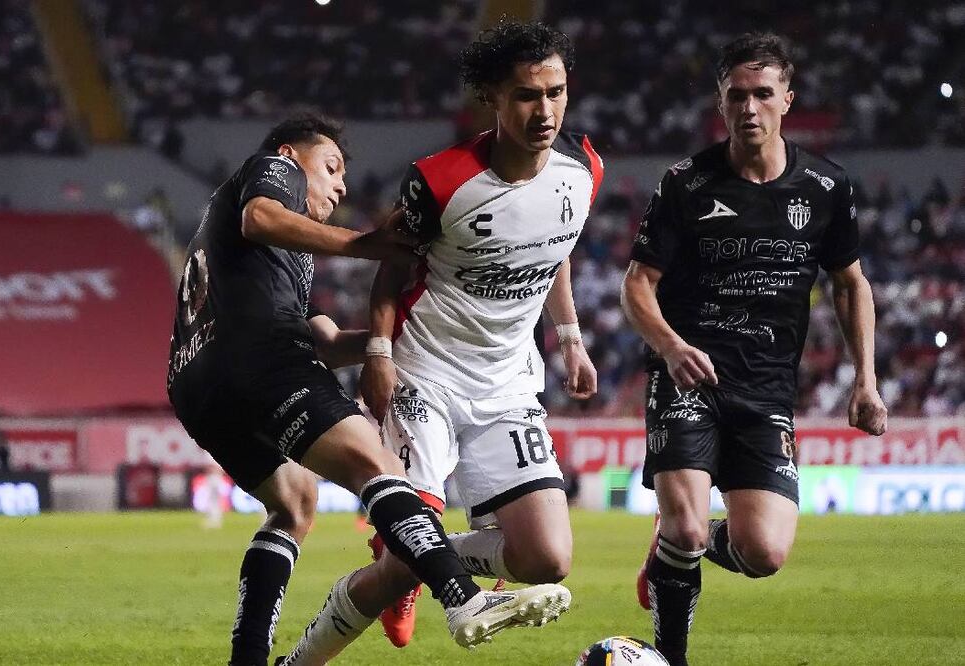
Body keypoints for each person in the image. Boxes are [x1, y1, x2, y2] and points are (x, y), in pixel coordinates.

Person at [166, 113, 571, 666]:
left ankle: (248, 660)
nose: (340, 186)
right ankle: (462, 597)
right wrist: (364, 244)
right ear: (290, 157)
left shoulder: (271, 257)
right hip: (260, 356)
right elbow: (260, 216)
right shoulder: (268, 174)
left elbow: (328, 342)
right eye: (330, 168)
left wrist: (406, 337)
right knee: (376, 465)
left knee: (293, 505)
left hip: (197, 385)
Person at [279, 20, 600, 662]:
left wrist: (570, 339)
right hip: (426, 371)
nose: (545, 111)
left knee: (548, 559)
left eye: (556, 92)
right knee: (403, 556)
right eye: (527, 95)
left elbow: (557, 247)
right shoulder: (440, 180)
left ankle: (420, 564)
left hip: (509, 384)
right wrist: (377, 354)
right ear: (493, 99)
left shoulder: (581, 171)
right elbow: (391, 268)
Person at [620, 33, 888, 666]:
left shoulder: (826, 187)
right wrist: (671, 346)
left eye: (763, 94)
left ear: (787, 100)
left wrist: (865, 380)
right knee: (686, 530)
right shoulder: (686, 183)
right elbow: (637, 286)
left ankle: (670, 548)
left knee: (762, 554)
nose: (749, 108)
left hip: (767, 390)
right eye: (737, 95)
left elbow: (850, 283)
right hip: (688, 378)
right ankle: (670, 655)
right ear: (720, 100)